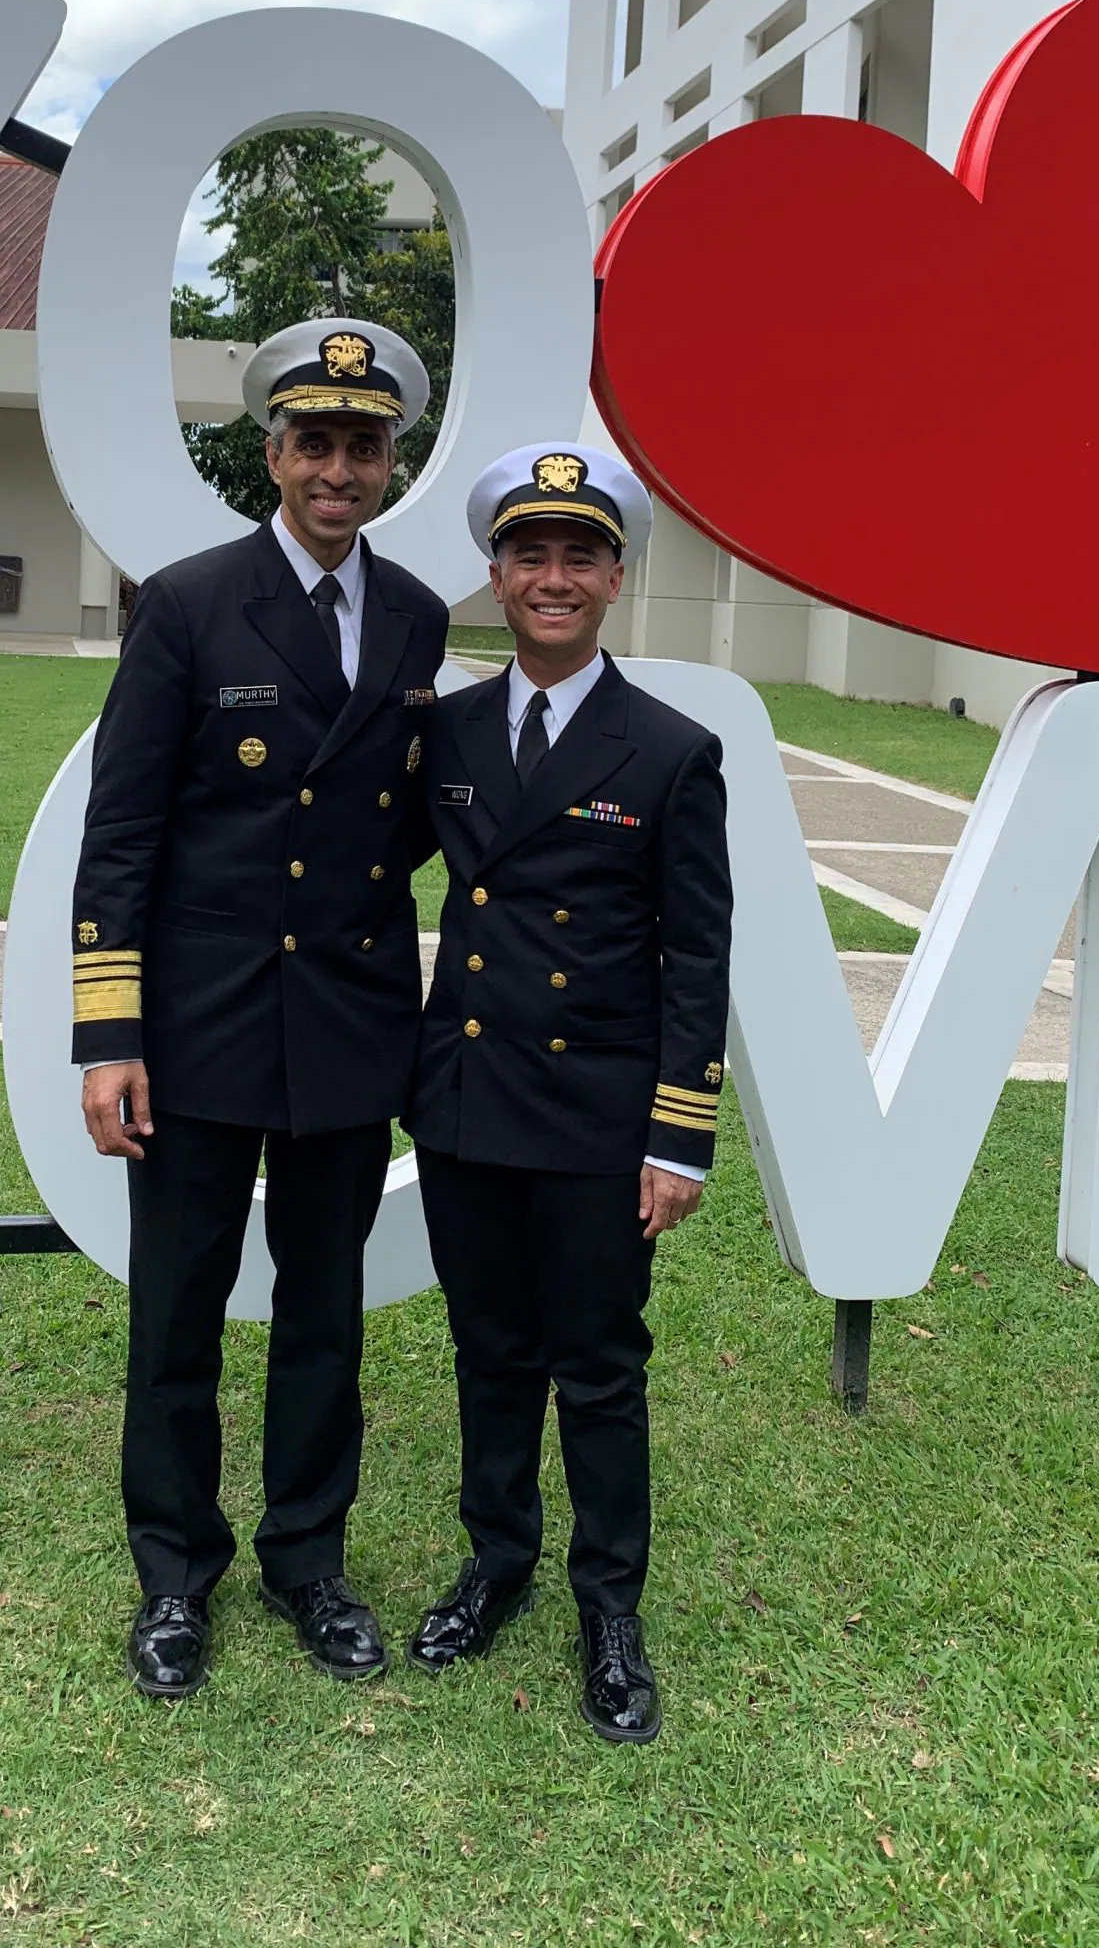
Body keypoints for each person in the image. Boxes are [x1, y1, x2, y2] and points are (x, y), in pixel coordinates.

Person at [71, 320, 449, 1700]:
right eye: (316, 444)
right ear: (272, 453)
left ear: (388, 460)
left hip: (348, 1019)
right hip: (198, 1024)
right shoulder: (184, 603)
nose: (339, 470)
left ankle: (310, 1561)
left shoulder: (414, 613)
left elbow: (398, 814)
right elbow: (119, 836)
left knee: (326, 1310)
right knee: (174, 1311)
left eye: (365, 446)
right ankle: (175, 1580)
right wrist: (111, 1033)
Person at [402, 442, 732, 1744]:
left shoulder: (668, 750)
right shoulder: (451, 734)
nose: (552, 577)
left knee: (596, 1368)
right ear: (495, 574)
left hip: (599, 1118)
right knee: (490, 1354)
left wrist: (680, 1134)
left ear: (613, 576)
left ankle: (610, 1608)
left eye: (577, 555)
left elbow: (696, 952)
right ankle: (497, 1562)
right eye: (529, 554)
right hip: (470, 1098)